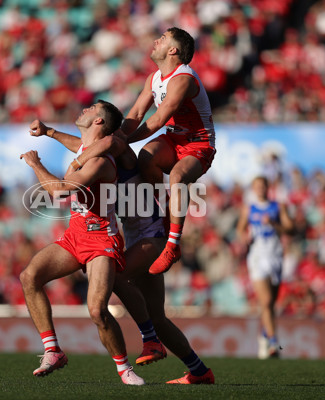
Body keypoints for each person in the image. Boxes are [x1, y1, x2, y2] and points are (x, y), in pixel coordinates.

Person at [30, 119, 214, 384]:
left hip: (153, 236)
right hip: (139, 238)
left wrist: (76, 162)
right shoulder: (100, 155)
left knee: (112, 274)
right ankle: (199, 370)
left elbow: (105, 142)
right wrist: (50, 132)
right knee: (158, 317)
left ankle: (150, 339)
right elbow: (84, 146)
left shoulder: (121, 151)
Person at [19, 100, 145, 385]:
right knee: (30, 276)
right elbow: (77, 143)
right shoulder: (87, 149)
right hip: (76, 235)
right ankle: (53, 350)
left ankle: (124, 368)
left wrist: (35, 163)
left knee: (97, 310)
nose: (85, 109)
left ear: (99, 122)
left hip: (101, 239)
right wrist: (50, 132)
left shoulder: (100, 161)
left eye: (92, 109)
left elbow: (61, 191)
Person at [113, 27, 216, 275]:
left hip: (199, 143)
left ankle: (172, 245)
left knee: (178, 177)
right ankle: (166, 214)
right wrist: (117, 137)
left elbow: (158, 119)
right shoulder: (154, 78)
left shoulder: (183, 79)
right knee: (146, 156)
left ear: (173, 50)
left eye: (163, 39)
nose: (156, 40)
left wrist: (123, 142)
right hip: (174, 139)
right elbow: (136, 114)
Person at [236, 176, 293, 359]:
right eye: (257, 186)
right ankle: (274, 342)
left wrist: (274, 224)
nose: (260, 189)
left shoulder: (278, 206)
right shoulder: (249, 208)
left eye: (263, 186)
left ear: (268, 187)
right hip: (257, 257)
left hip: (275, 256)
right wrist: (244, 237)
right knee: (266, 301)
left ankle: (263, 335)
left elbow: (289, 228)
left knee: (272, 303)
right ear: (253, 189)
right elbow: (239, 229)